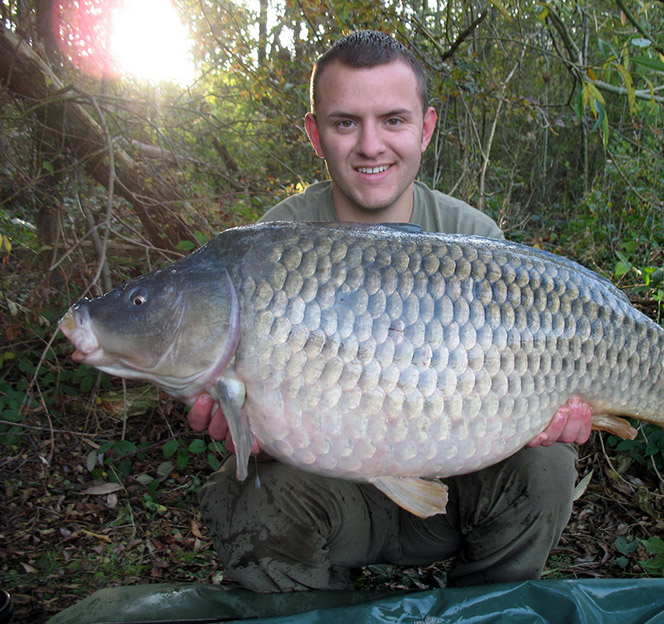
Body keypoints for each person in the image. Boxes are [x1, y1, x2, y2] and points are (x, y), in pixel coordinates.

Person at [189, 30, 592, 592]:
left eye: (394, 120)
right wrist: (233, 415)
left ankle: (488, 606)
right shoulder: (272, 247)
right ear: (315, 133)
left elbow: (520, 379)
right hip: (329, 495)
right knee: (245, 494)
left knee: (548, 468)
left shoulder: (474, 238)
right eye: (345, 122)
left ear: (426, 128)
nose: (370, 145)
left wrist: (549, 412)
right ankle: (308, 602)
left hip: (453, 486)